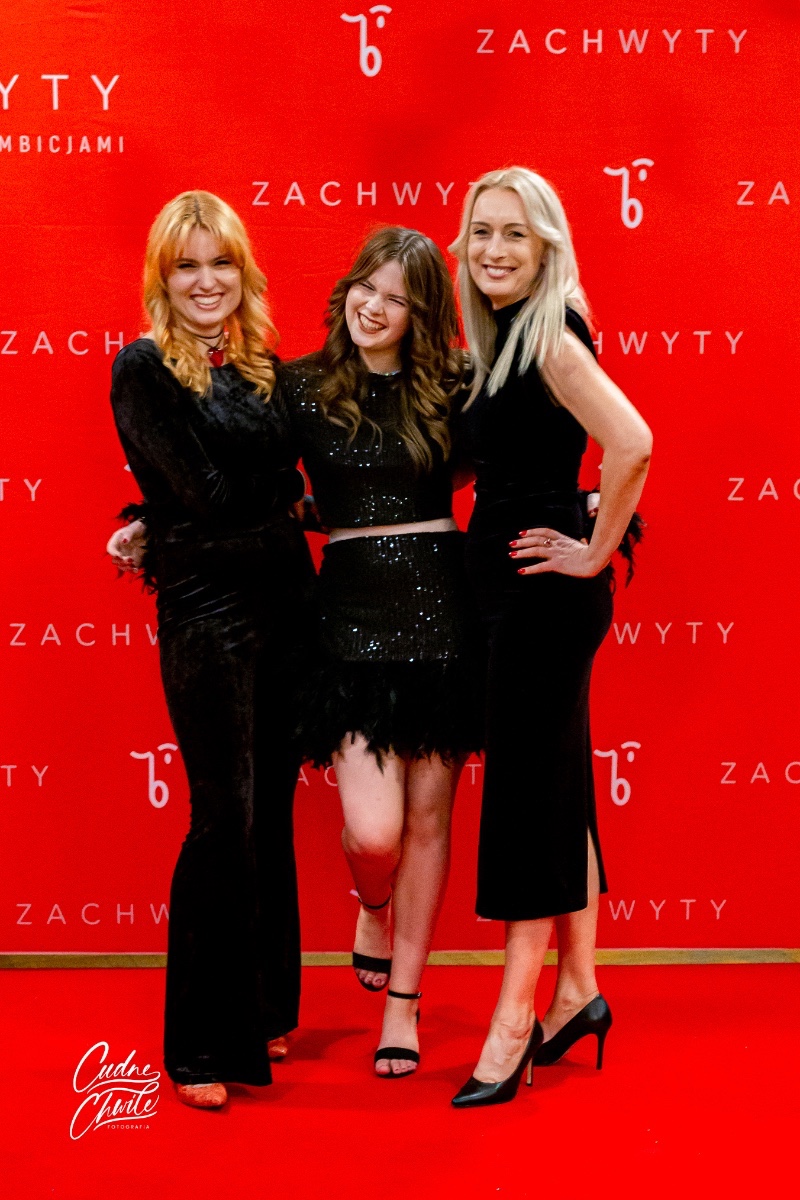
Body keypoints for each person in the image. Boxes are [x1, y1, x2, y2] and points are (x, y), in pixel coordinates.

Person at [447, 167, 652, 1108]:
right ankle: (578, 990)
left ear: (547, 248)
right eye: (482, 232)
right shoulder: (503, 335)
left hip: (542, 600)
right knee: (558, 785)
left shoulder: (550, 338)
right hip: (512, 596)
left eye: (515, 235)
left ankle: (512, 1020)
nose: (494, 250)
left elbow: (633, 441)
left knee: (527, 804)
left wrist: (596, 550)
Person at [108, 191, 316, 1109]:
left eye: (221, 263)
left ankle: (263, 1005)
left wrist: (268, 502)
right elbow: (211, 496)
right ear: (162, 277)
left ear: (244, 272)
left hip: (289, 609)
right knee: (222, 815)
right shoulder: (144, 368)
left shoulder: (264, 366)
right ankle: (198, 1043)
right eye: (187, 265)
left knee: (271, 810)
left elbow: (276, 490)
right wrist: (175, 520)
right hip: (209, 618)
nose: (206, 282)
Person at [272, 226, 483, 1078]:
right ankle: (373, 899)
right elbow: (261, 488)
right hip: (348, 619)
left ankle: (404, 1002)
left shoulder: (455, 384)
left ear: (422, 314)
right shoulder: (300, 384)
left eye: (397, 298)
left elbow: (494, 470)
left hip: (442, 616)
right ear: (347, 287)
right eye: (367, 286)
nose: (374, 306)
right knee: (373, 832)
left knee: (428, 821)